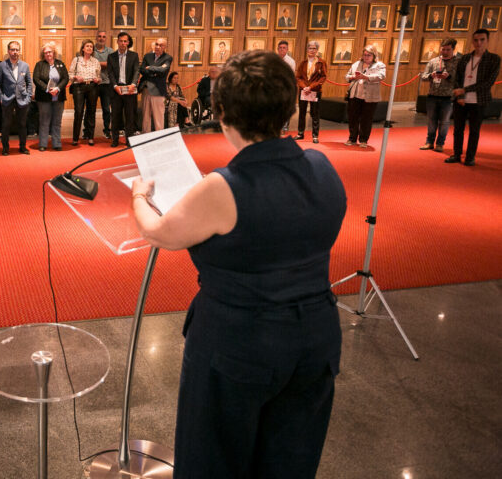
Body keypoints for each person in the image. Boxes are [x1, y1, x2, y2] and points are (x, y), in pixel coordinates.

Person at [130, 49, 346, 479]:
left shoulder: (223, 187)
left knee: (213, 460)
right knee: (290, 461)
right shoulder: (322, 166)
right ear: (287, 105)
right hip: (315, 337)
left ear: (222, 112)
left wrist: (139, 193)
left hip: (239, 342)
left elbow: (158, 232)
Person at [445, 29, 500, 166]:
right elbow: (457, 78)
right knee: (458, 129)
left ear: (487, 41)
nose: (478, 43)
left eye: (482, 40)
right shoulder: (465, 58)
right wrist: (461, 95)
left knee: (474, 131)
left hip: (479, 100)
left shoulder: (494, 59)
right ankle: (457, 154)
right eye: (476, 40)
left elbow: (488, 82)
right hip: (461, 100)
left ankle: (470, 157)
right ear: (472, 41)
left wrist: (465, 90)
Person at [419, 38, 460, 152]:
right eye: (443, 49)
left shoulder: (458, 62)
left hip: (448, 97)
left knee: (444, 122)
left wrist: (449, 77)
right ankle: (429, 142)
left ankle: (440, 143)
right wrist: (431, 76)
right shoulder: (433, 61)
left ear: (453, 49)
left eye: (448, 49)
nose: (445, 52)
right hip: (432, 95)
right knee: (431, 121)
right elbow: (423, 76)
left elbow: (460, 80)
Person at [0, 41, 33, 155]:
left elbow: (29, 83)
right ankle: (5, 148)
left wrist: (28, 97)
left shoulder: (25, 65)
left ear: (19, 51)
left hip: (22, 99)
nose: (15, 52)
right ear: (8, 51)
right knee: (6, 125)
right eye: (12, 49)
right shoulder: (2, 65)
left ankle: (23, 147)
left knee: (22, 124)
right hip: (7, 99)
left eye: (17, 49)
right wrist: (1, 97)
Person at [343, 45, 385, 147]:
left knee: (366, 119)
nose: (366, 57)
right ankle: (352, 138)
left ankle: (363, 140)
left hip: (370, 96)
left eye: (369, 55)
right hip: (355, 95)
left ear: (374, 55)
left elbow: (381, 76)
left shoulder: (379, 65)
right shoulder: (356, 64)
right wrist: (353, 77)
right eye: (365, 55)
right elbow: (347, 76)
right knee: (353, 117)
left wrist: (366, 77)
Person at [34, 42, 69, 151]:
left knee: (57, 121)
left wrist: (57, 89)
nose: (48, 54)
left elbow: (65, 78)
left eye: (50, 52)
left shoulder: (60, 64)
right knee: (44, 121)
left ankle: (57, 143)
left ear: (54, 52)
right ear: (43, 54)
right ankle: (43, 144)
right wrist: (48, 89)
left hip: (58, 97)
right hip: (44, 97)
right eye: (45, 53)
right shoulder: (40, 65)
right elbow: (36, 79)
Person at [107, 32, 140, 147]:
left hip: (130, 90)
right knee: (115, 116)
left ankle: (129, 140)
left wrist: (133, 84)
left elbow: (137, 71)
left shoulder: (134, 56)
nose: (123, 43)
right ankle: (114, 140)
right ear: (117, 42)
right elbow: (110, 73)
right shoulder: (111, 56)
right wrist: (115, 86)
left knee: (130, 116)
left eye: (125, 41)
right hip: (116, 90)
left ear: (128, 42)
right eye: (121, 41)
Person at [69, 39, 102, 146]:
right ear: (83, 48)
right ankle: (75, 138)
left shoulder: (96, 61)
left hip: (92, 87)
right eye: (87, 46)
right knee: (78, 112)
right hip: (79, 87)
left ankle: (90, 137)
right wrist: (75, 77)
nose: (89, 48)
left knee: (91, 111)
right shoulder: (76, 60)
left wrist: (98, 80)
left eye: (91, 47)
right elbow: (70, 74)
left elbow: (99, 76)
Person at [295, 41, 328, 143]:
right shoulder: (303, 63)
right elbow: (298, 77)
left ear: (317, 50)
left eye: (314, 48)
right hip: (303, 91)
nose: (312, 50)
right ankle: (300, 133)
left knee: (315, 114)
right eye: (310, 48)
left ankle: (315, 135)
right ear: (307, 50)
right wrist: (304, 87)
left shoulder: (321, 63)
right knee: (302, 113)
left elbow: (323, 77)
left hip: (315, 91)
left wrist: (311, 87)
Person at [139, 37, 172, 133]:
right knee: (145, 116)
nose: (158, 47)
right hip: (146, 88)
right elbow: (142, 69)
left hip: (158, 90)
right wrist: (154, 72)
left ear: (165, 47)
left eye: (161, 45)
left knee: (158, 117)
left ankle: (159, 138)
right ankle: (145, 137)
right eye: (156, 44)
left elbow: (163, 70)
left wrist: (150, 68)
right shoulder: (147, 56)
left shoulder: (167, 58)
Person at [92, 30, 114, 139]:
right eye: (99, 36)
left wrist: (96, 63)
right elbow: (89, 64)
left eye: (104, 37)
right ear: (96, 38)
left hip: (106, 83)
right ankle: (88, 131)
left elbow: (111, 65)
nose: (101, 38)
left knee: (106, 109)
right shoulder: (91, 50)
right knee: (91, 109)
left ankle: (107, 130)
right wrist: (103, 64)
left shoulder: (110, 51)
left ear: (106, 39)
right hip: (93, 83)